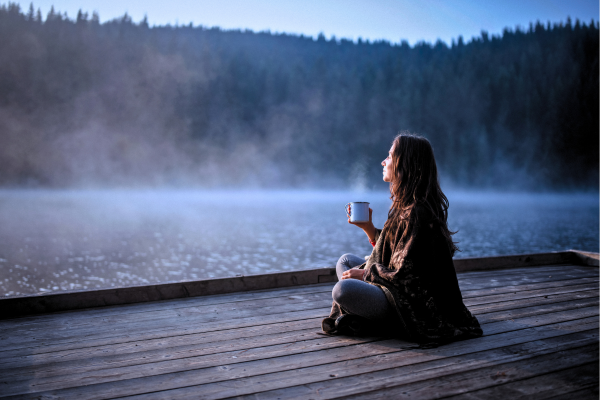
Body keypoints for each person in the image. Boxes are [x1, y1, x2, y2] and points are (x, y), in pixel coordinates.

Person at [322, 133, 483, 345]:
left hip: (413, 305)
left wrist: (366, 274)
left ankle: (385, 321)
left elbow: (409, 276)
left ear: (404, 164)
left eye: (389, 156)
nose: (383, 161)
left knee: (343, 290)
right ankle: (367, 313)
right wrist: (368, 228)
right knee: (345, 261)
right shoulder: (404, 205)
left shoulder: (418, 212)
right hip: (393, 288)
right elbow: (395, 251)